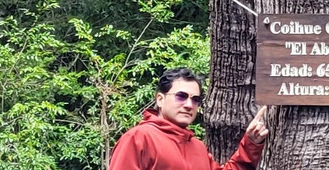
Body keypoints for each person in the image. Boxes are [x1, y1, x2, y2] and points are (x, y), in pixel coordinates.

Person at [109, 67, 269, 170]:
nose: (188, 104)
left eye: (195, 99)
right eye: (181, 96)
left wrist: (251, 143)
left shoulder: (197, 147)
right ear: (160, 99)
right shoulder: (139, 138)